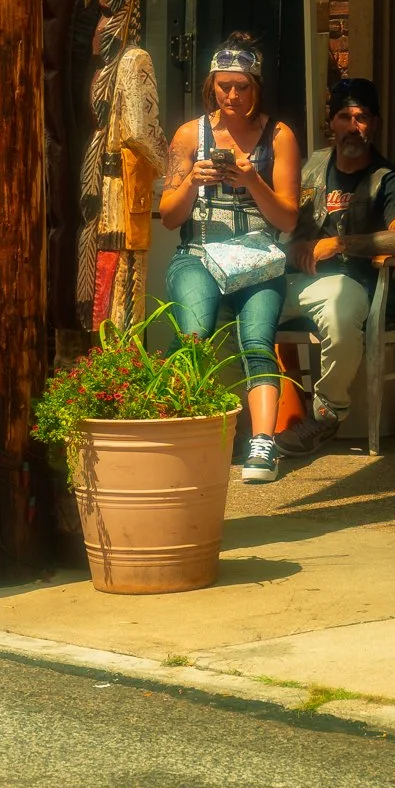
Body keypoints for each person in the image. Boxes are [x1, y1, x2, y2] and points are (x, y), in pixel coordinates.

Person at [154, 34, 302, 484]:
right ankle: (187, 434)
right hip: (199, 251)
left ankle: (262, 442)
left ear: (257, 87)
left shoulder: (279, 136)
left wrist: (252, 178)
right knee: (193, 334)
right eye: (223, 86)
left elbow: (288, 219)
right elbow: (167, 217)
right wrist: (194, 182)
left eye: (241, 86)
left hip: (257, 256)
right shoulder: (189, 135)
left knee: (257, 341)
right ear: (211, 87)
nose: (232, 96)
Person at [278, 77, 395, 460]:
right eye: (344, 116)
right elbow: (280, 228)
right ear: (332, 123)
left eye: (361, 117)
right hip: (298, 281)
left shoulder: (389, 182)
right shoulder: (310, 167)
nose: (353, 126)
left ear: (374, 123)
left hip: (356, 284)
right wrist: (293, 251)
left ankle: (327, 412)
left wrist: (339, 244)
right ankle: (251, 420)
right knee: (239, 306)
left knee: (339, 311)